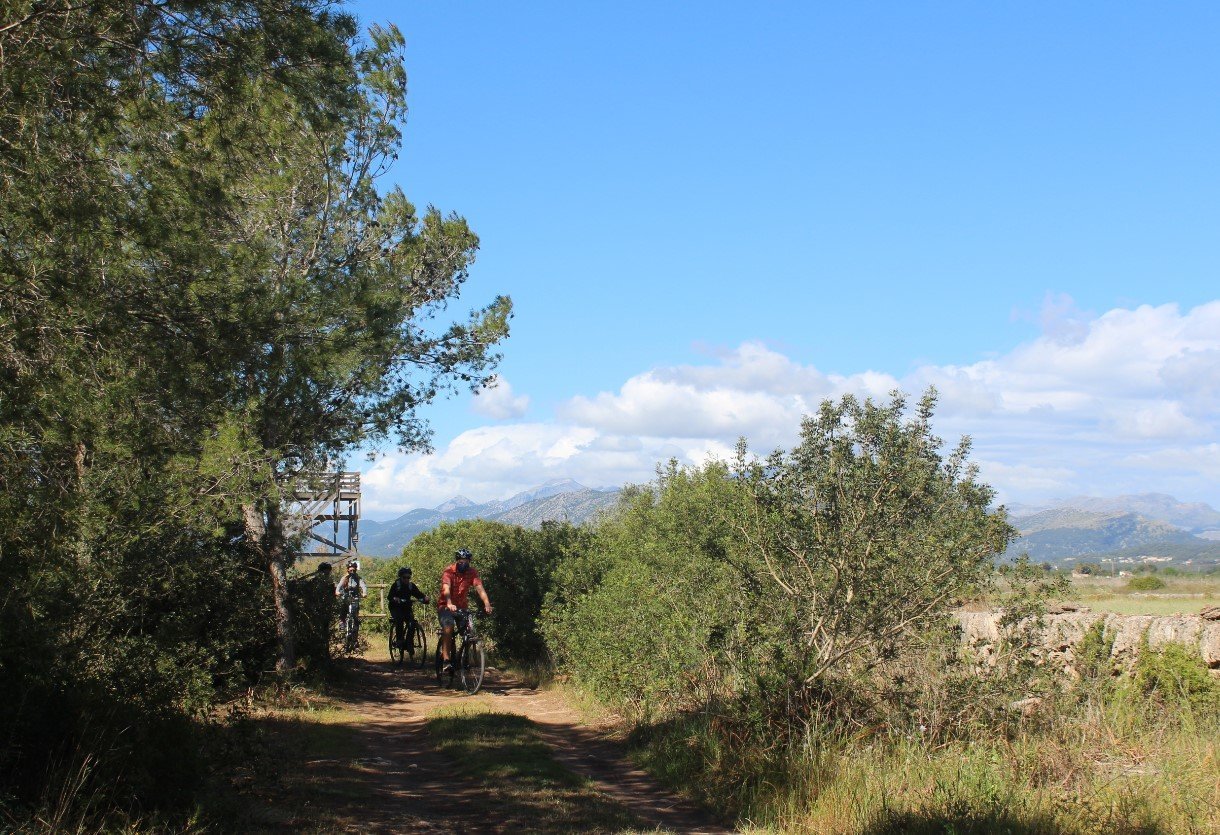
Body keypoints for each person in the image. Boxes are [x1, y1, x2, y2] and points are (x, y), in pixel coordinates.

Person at [437, 548, 492, 674]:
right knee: (449, 627)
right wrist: (449, 603)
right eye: (461, 561)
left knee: (468, 632)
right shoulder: (449, 571)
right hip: (445, 606)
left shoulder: (472, 572)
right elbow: (446, 588)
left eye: (466, 561)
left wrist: (487, 604)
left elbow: (480, 588)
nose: (464, 564)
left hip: (462, 607)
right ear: (457, 561)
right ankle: (446, 660)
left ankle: (464, 659)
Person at [388, 566, 429, 658]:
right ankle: (399, 640)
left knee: (412, 623)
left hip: (406, 607)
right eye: (404, 577)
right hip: (395, 607)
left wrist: (425, 598)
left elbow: (418, 594)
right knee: (399, 620)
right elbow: (389, 596)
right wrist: (395, 598)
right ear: (400, 577)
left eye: (408, 577)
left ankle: (409, 643)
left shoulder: (411, 586)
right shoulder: (396, 585)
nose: (406, 579)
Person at [335, 558, 367, 634]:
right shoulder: (344, 578)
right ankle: (342, 623)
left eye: (354, 570)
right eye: (350, 570)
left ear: (356, 570)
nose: (352, 572)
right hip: (346, 596)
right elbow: (339, 585)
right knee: (343, 609)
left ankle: (355, 628)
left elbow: (363, 586)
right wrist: (337, 591)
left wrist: (364, 593)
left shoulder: (358, 578)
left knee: (355, 613)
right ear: (348, 570)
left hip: (355, 597)